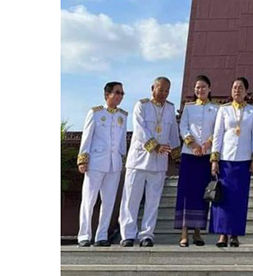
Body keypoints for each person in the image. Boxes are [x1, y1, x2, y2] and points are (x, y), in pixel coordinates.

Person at [120, 77, 179, 247]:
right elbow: (140, 130)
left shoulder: (170, 108)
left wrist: (176, 155)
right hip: (139, 160)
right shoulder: (142, 105)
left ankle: (147, 234)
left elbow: (173, 131)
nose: (164, 93)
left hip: (159, 163)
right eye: (161, 90)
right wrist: (155, 146)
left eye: (167, 90)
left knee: (153, 201)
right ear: (153, 88)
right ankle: (128, 234)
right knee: (131, 199)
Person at [209, 77, 253, 247]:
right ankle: (222, 234)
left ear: (246, 91)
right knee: (223, 198)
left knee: (239, 199)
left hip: (243, 160)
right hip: (226, 160)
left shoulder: (252, 111)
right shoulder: (224, 110)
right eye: (234, 87)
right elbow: (218, 135)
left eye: (240, 88)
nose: (237, 90)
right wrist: (215, 159)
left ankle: (235, 234)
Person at [76, 81, 128, 247]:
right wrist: (83, 159)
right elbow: (87, 137)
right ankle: (84, 235)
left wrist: (122, 159)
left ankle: (101, 235)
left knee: (109, 201)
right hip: (96, 162)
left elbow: (122, 142)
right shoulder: (96, 113)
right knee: (89, 200)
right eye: (117, 92)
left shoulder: (122, 116)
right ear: (107, 95)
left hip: (114, 164)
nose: (120, 96)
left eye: (122, 93)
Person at [175, 75, 219, 247]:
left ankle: (198, 232)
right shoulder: (189, 107)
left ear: (209, 88)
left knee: (202, 193)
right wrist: (192, 144)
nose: (200, 90)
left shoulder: (216, 109)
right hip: (189, 155)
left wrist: (208, 143)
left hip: (206, 156)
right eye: (197, 87)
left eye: (203, 87)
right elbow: (183, 126)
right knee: (186, 193)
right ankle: (184, 232)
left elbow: (218, 129)